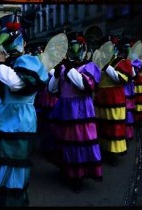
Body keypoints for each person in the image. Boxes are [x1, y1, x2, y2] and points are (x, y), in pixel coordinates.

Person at [0, 14, 48, 206]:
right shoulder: (3, 67)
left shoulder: (28, 62)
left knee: (15, 171)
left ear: (23, 42)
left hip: (19, 125)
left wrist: (0, 64)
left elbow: (18, 84)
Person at [47, 33, 103, 193]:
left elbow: (84, 84)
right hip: (64, 108)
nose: (73, 51)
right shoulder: (65, 67)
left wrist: (68, 67)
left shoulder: (90, 66)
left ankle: (78, 175)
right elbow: (52, 89)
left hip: (80, 110)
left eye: (75, 47)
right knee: (64, 140)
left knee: (79, 142)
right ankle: (66, 169)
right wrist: (57, 74)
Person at [94, 36, 133, 166]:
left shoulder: (121, 61)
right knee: (102, 125)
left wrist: (107, 67)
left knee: (114, 126)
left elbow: (121, 79)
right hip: (101, 98)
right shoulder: (98, 61)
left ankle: (113, 153)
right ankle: (104, 150)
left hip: (114, 98)